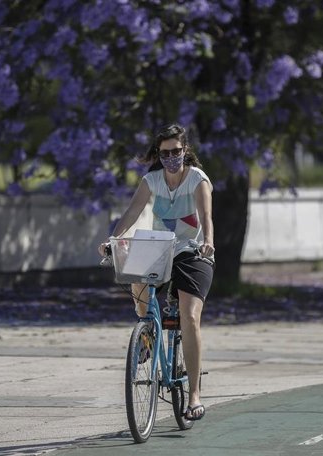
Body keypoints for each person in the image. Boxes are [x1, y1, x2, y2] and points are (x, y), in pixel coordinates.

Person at [98, 123, 214, 421]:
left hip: (193, 251)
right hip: (161, 248)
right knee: (134, 277)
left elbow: (205, 216)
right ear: (158, 155)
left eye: (177, 151)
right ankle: (147, 335)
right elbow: (133, 212)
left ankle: (195, 396)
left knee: (189, 316)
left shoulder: (197, 179)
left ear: (185, 151)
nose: (172, 157)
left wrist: (209, 243)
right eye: (166, 153)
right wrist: (113, 239)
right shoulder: (152, 181)